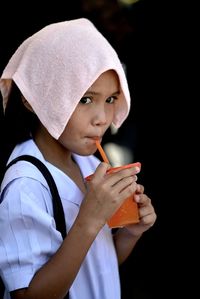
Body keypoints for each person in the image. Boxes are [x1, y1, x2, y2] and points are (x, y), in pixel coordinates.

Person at [0, 18, 156, 299]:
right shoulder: (27, 185)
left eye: (111, 99)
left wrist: (131, 233)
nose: (103, 119)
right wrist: (89, 219)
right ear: (34, 99)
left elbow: (96, 265)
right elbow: (29, 295)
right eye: (86, 99)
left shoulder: (89, 165)